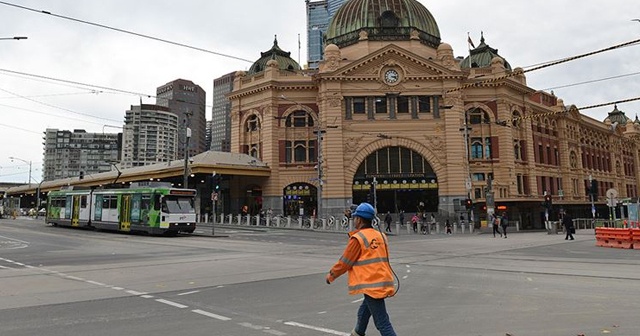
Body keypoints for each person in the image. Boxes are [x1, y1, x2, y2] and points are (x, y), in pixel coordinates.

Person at [326, 202, 397, 336]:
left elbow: (345, 262)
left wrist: (331, 275)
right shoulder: (381, 236)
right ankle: (358, 332)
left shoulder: (358, 238)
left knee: (382, 323)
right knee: (363, 312)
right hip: (382, 280)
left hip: (371, 284)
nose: (354, 220)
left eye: (355, 218)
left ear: (359, 219)